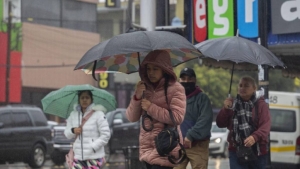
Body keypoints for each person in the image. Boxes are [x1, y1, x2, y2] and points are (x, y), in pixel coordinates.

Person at [126, 50, 186, 169]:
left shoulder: (176, 88)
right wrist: (137, 96)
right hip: (146, 150)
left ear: (164, 70)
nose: (151, 73)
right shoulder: (144, 88)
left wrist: (151, 108)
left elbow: (177, 117)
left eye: (155, 69)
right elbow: (131, 117)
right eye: (148, 69)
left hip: (164, 148)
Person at [216, 76, 271, 169]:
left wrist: (254, 137)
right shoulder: (232, 104)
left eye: (246, 86)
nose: (242, 88)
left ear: (254, 88)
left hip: (257, 152)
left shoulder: (261, 105)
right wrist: (225, 109)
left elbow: (265, 126)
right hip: (236, 151)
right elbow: (220, 123)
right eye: (240, 85)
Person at [174, 67, 213, 169]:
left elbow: (205, 120)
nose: (186, 81)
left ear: (195, 80)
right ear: (179, 81)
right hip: (178, 145)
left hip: (198, 145)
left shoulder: (202, 98)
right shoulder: (175, 99)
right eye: (183, 79)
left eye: (190, 79)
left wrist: (190, 135)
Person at [64, 90, 111, 169]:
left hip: (94, 157)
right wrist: (73, 130)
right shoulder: (73, 114)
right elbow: (67, 134)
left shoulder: (98, 114)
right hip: (78, 157)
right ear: (79, 100)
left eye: (87, 97)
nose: (84, 100)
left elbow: (106, 135)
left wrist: (93, 146)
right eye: (82, 98)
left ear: (91, 99)